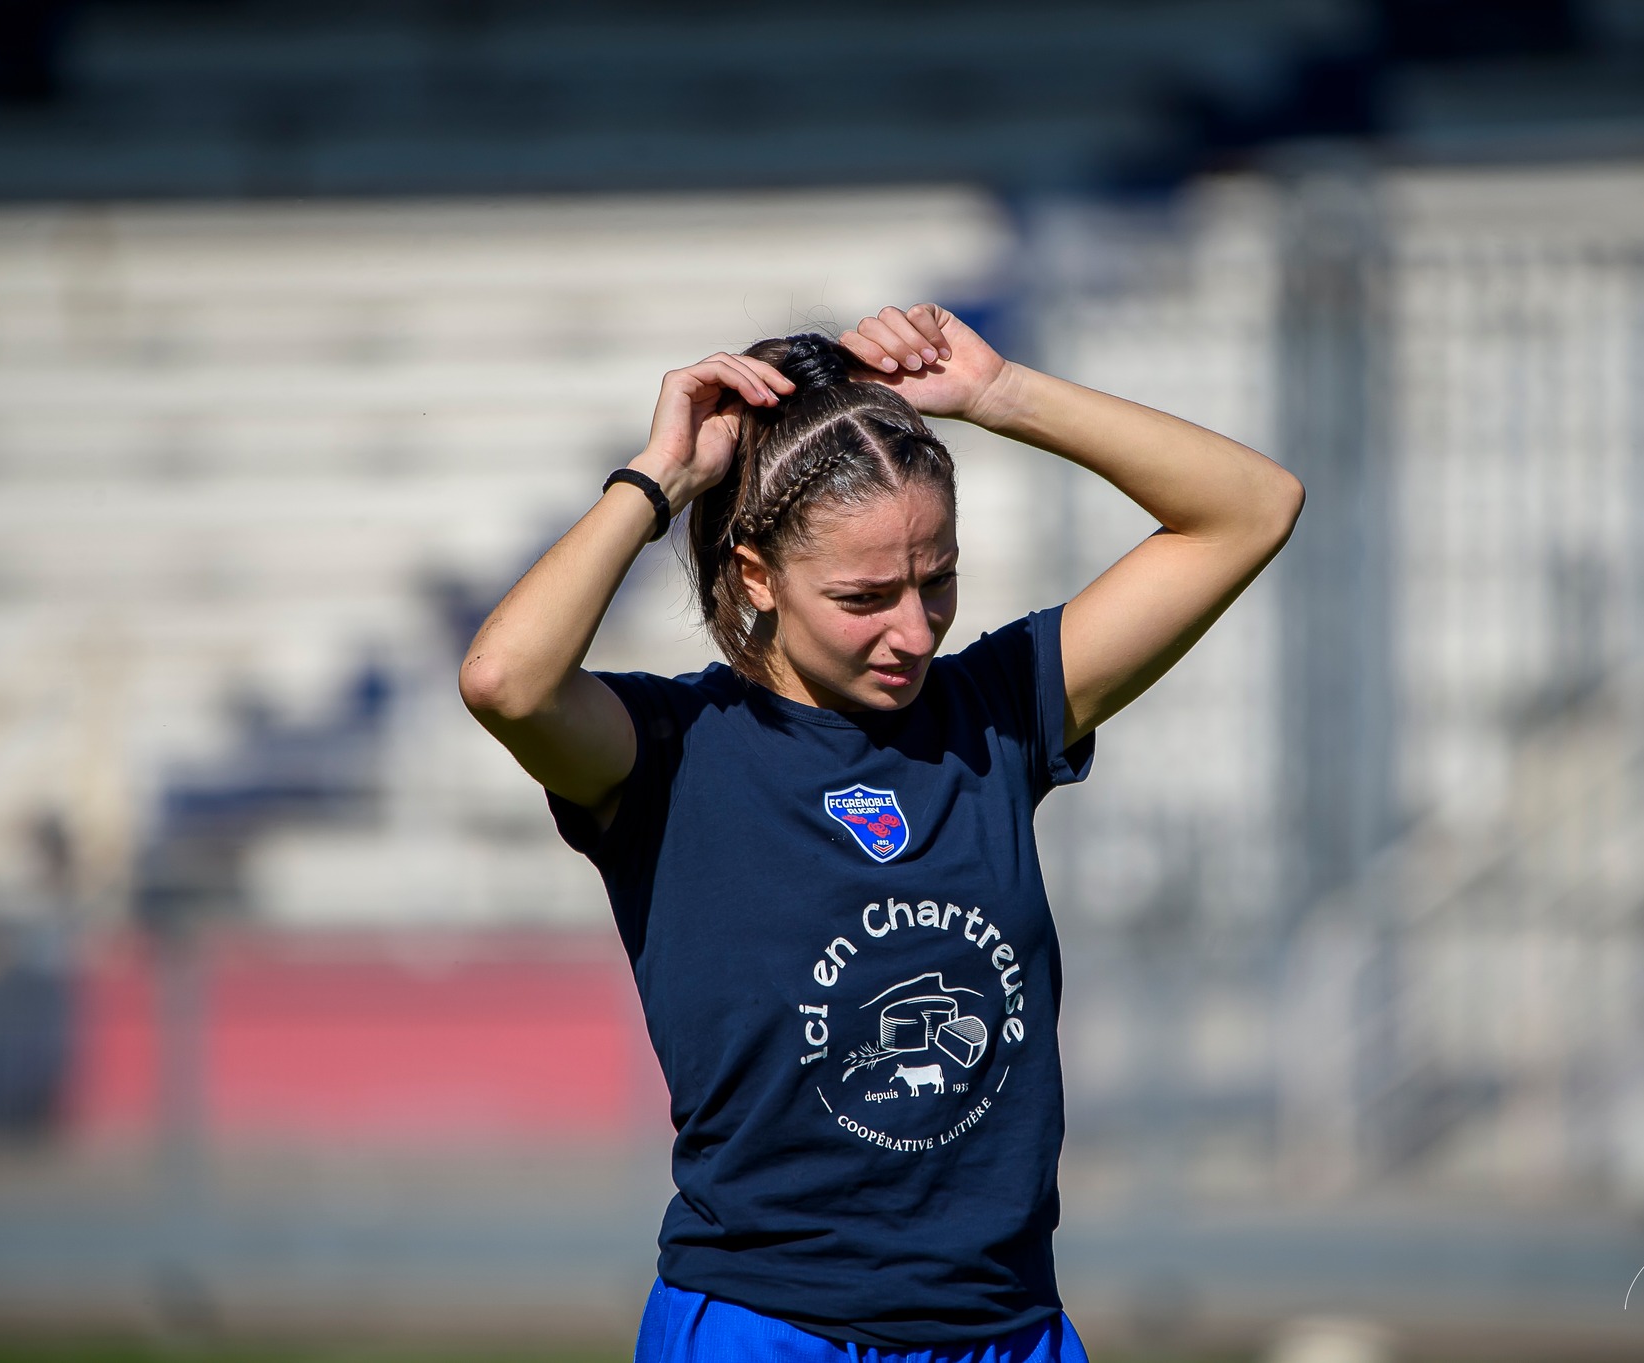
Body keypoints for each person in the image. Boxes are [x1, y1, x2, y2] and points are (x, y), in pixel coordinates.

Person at [458, 304, 1304, 1361]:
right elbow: (503, 680)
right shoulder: (672, 750)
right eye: (863, 596)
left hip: (1007, 1327)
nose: (913, 629)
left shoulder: (994, 712)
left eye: (936, 578)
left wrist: (1001, 396)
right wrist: (658, 482)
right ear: (757, 575)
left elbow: (1251, 508)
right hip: (772, 1329)